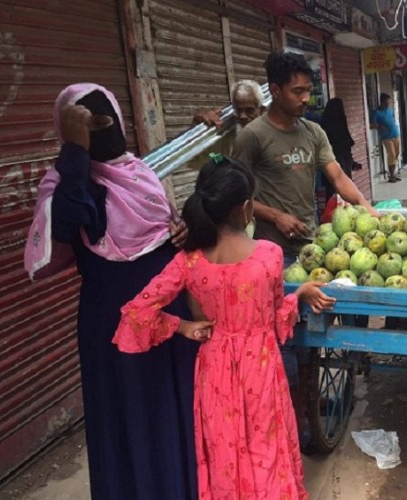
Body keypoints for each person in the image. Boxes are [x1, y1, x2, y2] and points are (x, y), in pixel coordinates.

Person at [113, 157, 335, 499]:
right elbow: (276, 318)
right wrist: (301, 294)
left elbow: (136, 313)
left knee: (224, 453)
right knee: (266, 450)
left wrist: (182, 326)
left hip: (214, 370)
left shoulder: (189, 262)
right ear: (246, 209)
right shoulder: (269, 255)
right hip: (260, 368)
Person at [23, 83, 198, 499]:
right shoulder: (65, 182)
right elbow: (69, 221)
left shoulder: (140, 173)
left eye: (102, 123)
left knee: (175, 409)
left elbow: (164, 226)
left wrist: (183, 229)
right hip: (115, 325)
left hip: (169, 314)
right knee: (129, 418)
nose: (96, 133)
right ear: (67, 133)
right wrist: (76, 157)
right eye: (81, 127)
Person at [232, 51, 377, 447]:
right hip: (269, 251)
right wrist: (275, 215)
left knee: (314, 333)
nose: (305, 99)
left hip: (313, 248)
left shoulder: (313, 133)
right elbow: (235, 193)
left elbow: (337, 176)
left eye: (308, 91)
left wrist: (367, 209)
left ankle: (309, 407)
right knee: (285, 342)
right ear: (274, 91)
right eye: (297, 91)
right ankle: (287, 421)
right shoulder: (253, 136)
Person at [320, 97, 356, 203]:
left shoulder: (324, 125)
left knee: (332, 191)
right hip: (340, 161)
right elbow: (347, 142)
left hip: (330, 163)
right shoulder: (340, 122)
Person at [370, 92, 402, 182]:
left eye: (389, 102)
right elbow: (372, 125)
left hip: (396, 134)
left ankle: (393, 174)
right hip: (386, 137)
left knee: (396, 155)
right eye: (386, 102)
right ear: (382, 101)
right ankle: (391, 176)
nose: (388, 103)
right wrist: (379, 126)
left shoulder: (390, 110)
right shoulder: (376, 112)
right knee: (391, 155)